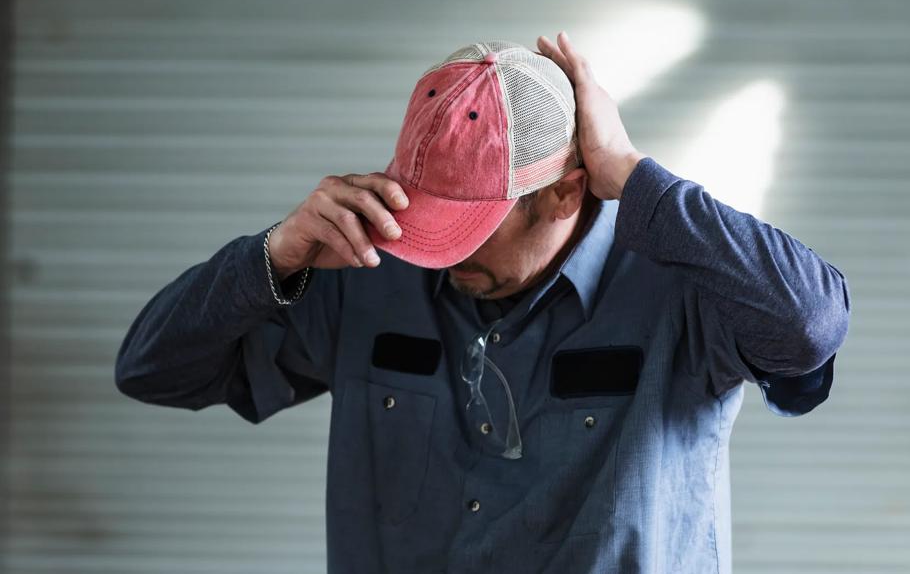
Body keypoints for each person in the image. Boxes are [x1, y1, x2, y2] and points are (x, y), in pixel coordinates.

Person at [115, 32, 851, 573]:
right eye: (426, 214)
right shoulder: (369, 267)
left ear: (566, 188)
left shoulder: (681, 290)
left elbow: (810, 327)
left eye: (466, 226)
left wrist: (631, 175)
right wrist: (270, 257)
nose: (438, 251)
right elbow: (153, 371)